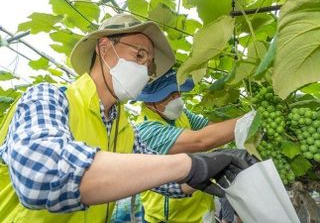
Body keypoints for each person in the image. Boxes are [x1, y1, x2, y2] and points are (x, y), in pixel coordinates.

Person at [0, 13, 250, 223]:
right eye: (140, 55)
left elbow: (167, 182)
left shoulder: (123, 128)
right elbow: (41, 178)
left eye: (149, 66)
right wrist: (192, 164)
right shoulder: (47, 98)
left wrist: (211, 169)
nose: (144, 71)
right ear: (105, 48)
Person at [134, 69, 257, 222]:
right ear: (150, 100)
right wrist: (252, 120)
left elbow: (211, 128)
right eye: (170, 95)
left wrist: (247, 127)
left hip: (200, 211)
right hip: (172, 219)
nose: (177, 99)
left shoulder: (181, 114)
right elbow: (202, 140)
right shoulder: (147, 129)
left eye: (178, 92)